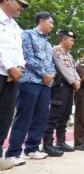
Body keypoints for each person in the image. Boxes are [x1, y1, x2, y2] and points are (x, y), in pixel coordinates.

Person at [5, 12, 55, 165]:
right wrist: (44, 73)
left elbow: (51, 63)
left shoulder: (48, 43)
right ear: (41, 21)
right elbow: (26, 57)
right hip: (30, 81)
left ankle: (32, 148)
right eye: (51, 22)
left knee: (41, 117)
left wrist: (51, 75)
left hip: (45, 84)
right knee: (24, 116)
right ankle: (13, 152)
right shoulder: (27, 34)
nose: (52, 26)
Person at [0, 0, 28, 170]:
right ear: (6, 0)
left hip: (11, 78)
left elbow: (19, 52)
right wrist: (10, 66)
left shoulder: (15, 27)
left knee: (5, 117)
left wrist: (19, 68)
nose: (22, 9)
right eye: (20, 4)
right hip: (4, 71)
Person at [42, 30, 80, 156]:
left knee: (65, 115)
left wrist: (78, 80)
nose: (73, 43)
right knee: (54, 116)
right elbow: (62, 68)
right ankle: (47, 144)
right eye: (71, 40)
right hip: (60, 87)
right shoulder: (56, 51)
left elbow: (73, 70)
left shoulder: (69, 55)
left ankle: (61, 142)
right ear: (64, 39)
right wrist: (74, 82)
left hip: (69, 88)